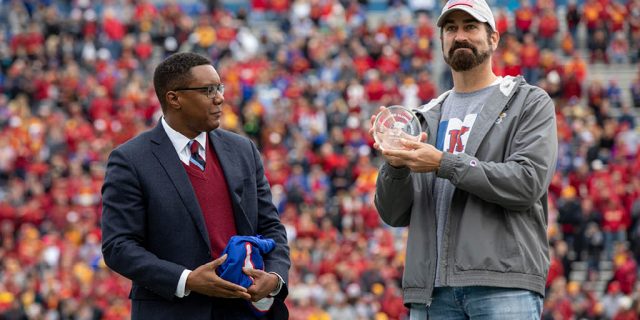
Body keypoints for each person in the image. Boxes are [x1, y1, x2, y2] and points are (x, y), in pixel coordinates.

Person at [371, 0, 558, 319]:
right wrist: (396, 166)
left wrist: (444, 163)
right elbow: (393, 213)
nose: (460, 36)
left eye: (470, 27)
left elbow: (527, 183)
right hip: (431, 291)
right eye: (451, 28)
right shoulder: (423, 118)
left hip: (502, 284)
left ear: (493, 38)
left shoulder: (527, 102)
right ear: (441, 39)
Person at [101, 52, 290, 320]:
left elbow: (271, 227)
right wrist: (187, 280)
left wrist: (275, 277)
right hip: (175, 311)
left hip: (246, 310)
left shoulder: (242, 149)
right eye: (208, 90)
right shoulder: (131, 160)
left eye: (219, 88)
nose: (220, 97)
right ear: (174, 98)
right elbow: (118, 246)